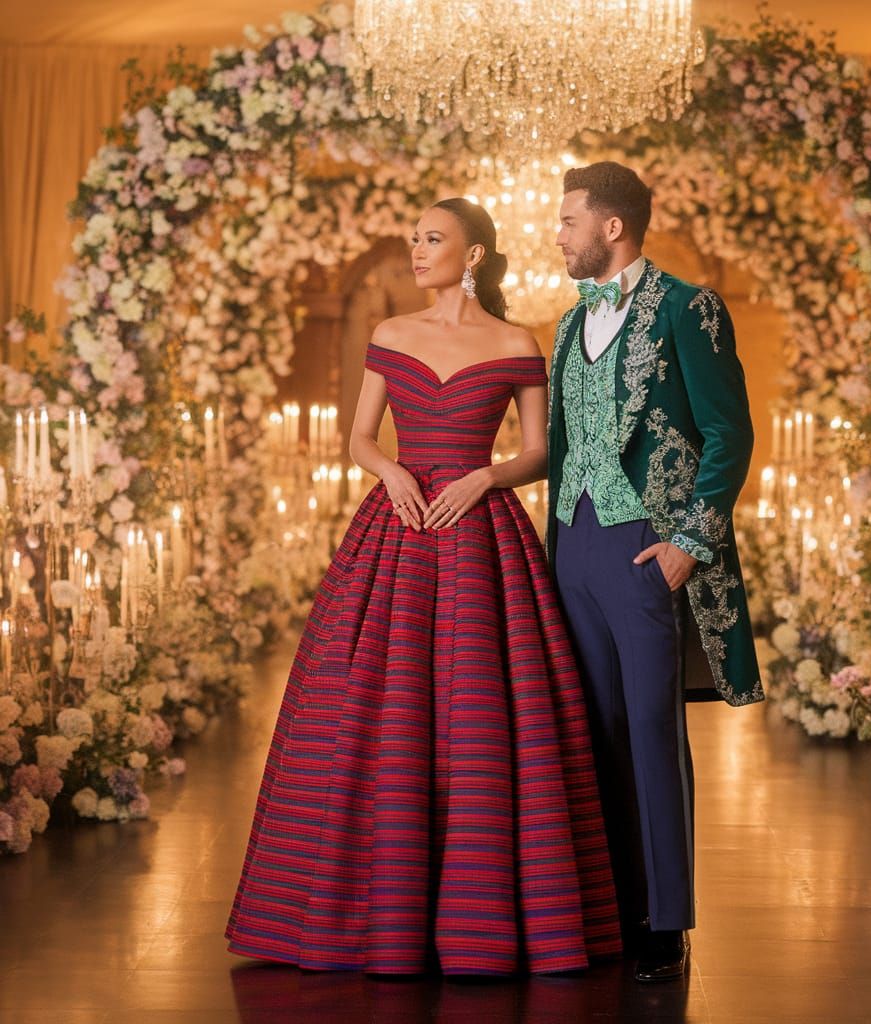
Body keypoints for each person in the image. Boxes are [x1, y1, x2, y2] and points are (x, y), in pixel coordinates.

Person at [226, 198, 621, 976]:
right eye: (413, 238)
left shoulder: (516, 342)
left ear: (473, 255)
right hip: (399, 523)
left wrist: (484, 476)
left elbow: (540, 451)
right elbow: (359, 438)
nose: (416, 250)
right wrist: (392, 471)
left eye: (432, 239)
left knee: (484, 709)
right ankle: (366, 909)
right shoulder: (390, 333)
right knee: (374, 700)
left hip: (480, 531)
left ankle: (481, 915)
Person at [548, 162, 763, 982]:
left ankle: (664, 923)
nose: (557, 236)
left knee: (649, 728)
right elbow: (565, 443)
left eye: (568, 221)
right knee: (594, 731)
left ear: (612, 227)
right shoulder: (568, 325)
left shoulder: (687, 307)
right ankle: (613, 907)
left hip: (646, 544)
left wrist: (688, 543)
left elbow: (729, 433)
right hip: (573, 546)